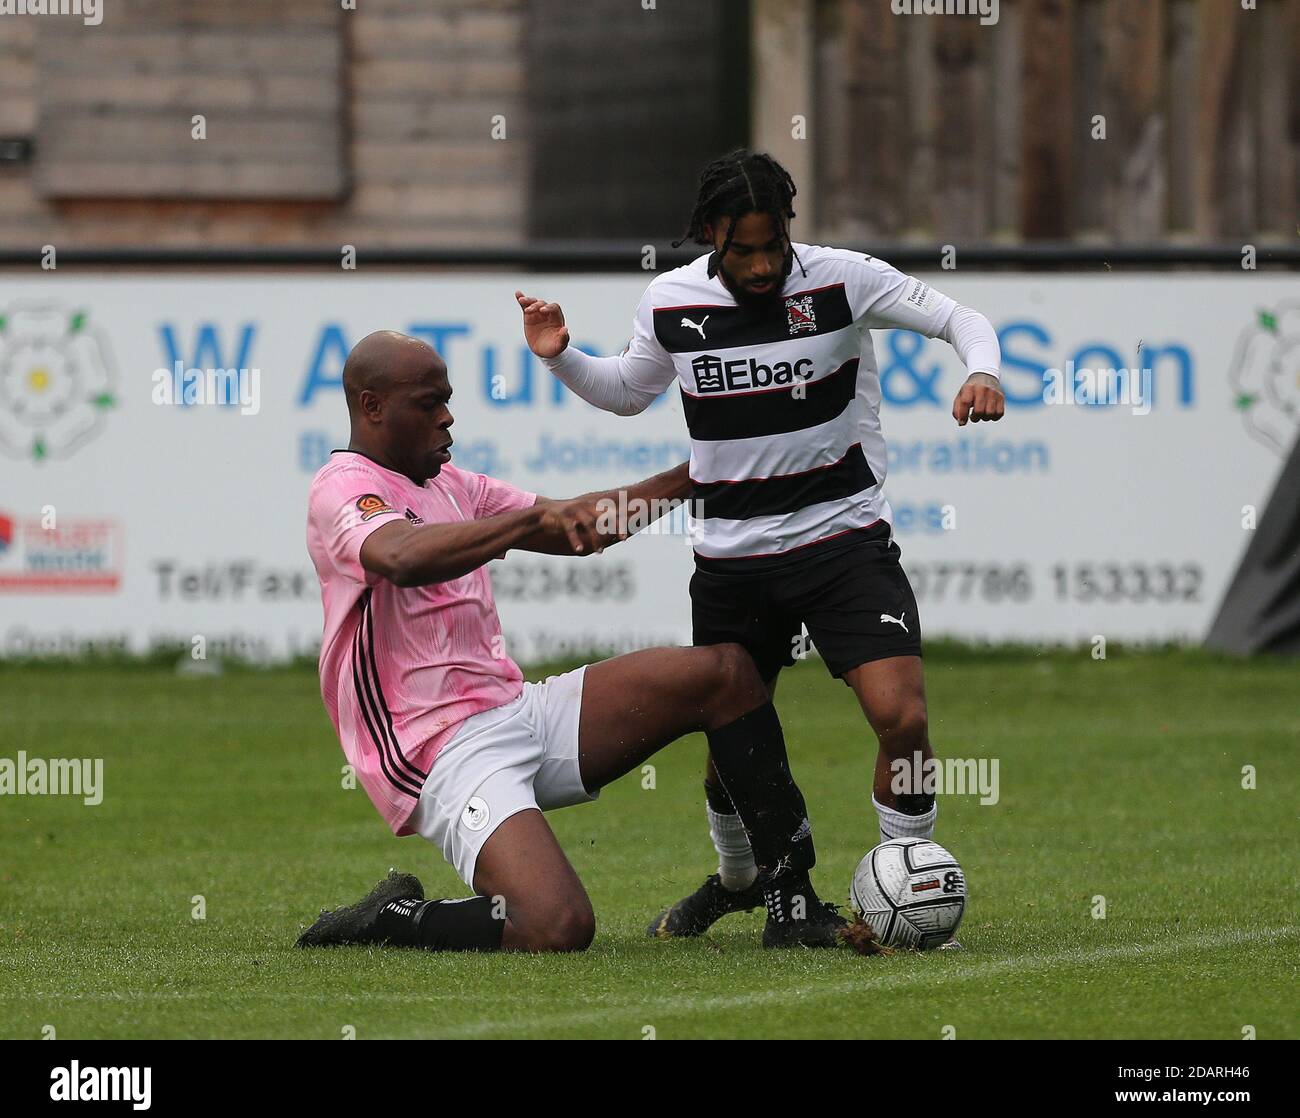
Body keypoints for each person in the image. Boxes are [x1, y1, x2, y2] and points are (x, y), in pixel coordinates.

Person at [515, 148, 1005, 940]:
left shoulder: (844, 278)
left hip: (843, 541)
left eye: (774, 243)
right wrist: (562, 356)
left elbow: (960, 319)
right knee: (729, 751)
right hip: (734, 561)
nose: (763, 263)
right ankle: (741, 878)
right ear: (711, 234)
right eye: (744, 249)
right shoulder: (671, 301)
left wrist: (982, 371)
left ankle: (903, 873)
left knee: (903, 718)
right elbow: (628, 394)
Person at [296, 329, 878, 954]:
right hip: (438, 750)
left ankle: (790, 903)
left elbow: (584, 528)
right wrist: (523, 521)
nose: (447, 417)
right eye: (428, 402)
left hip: (516, 711)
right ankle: (394, 916)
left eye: (448, 399)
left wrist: (703, 473)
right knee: (555, 926)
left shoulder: (452, 484)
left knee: (725, 673)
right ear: (371, 405)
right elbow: (400, 556)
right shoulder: (343, 486)